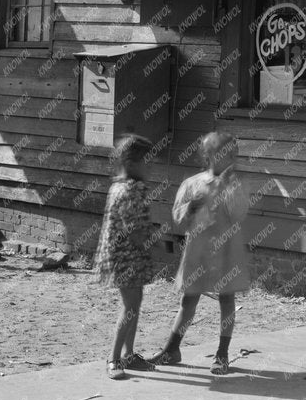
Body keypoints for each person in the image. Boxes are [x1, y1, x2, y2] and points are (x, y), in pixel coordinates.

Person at [151, 131, 250, 376]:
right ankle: (172, 349)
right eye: (220, 154)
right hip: (198, 250)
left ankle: (222, 354)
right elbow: (178, 218)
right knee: (189, 299)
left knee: (226, 299)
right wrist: (191, 206)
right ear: (208, 156)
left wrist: (227, 189)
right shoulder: (192, 184)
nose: (226, 159)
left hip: (227, 249)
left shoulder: (235, 185)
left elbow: (239, 214)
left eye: (230, 154)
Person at [94, 134, 158, 380]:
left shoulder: (117, 186)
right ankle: (114, 359)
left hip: (122, 255)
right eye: (147, 162)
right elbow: (134, 228)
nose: (150, 167)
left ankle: (129, 355)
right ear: (132, 164)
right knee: (130, 306)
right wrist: (155, 243)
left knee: (135, 303)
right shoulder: (133, 189)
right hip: (127, 257)